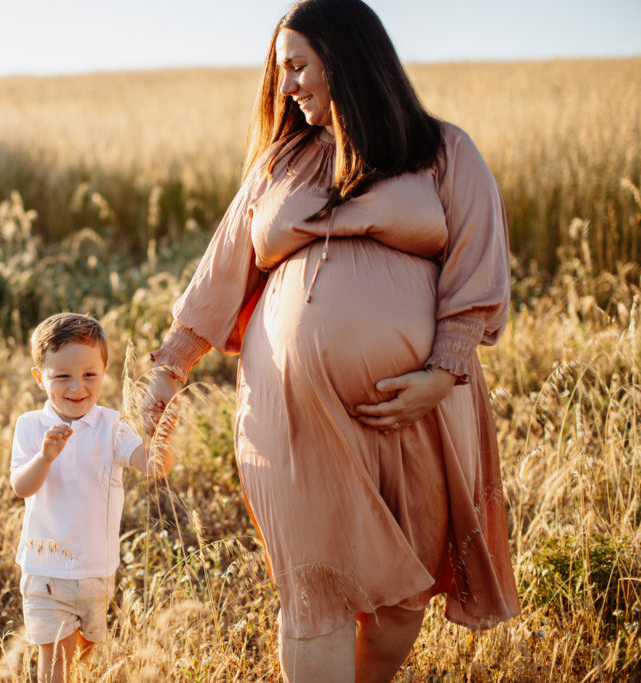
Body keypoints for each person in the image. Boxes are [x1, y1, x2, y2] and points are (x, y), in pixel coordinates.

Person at [142, 1, 520, 680]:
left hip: (413, 412)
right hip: (291, 420)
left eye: (297, 65)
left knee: (402, 599)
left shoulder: (444, 152)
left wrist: (441, 371)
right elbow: (221, 270)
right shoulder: (281, 162)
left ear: (345, 59)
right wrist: (167, 372)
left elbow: (478, 270)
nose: (285, 84)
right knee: (314, 592)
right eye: (280, 68)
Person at [10, 312, 175, 683]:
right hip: (46, 569)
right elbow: (21, 487)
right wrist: (45, 457)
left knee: (83, 652)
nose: (77, 387)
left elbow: (153, 466)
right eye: (62, 376)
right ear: (40, 378)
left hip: (98, 571)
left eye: (89, 375)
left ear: (104, 372)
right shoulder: (32, 427)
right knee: (56, 667)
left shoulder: (111, 426)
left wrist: (163, 434)